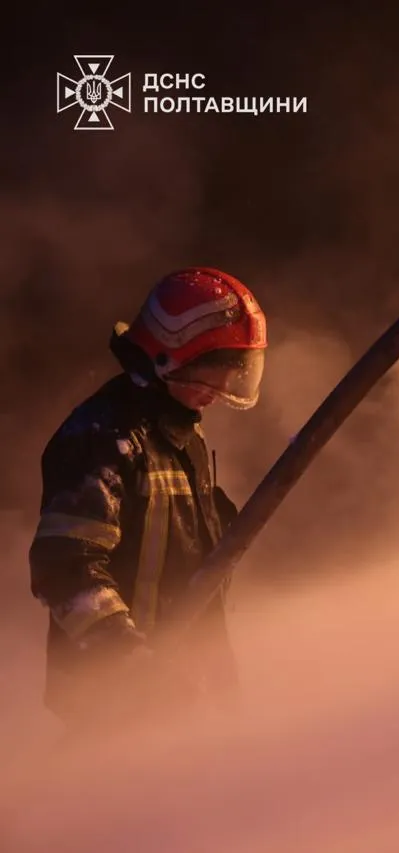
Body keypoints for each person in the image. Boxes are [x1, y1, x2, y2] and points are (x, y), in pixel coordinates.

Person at [29, 266, 268, 735]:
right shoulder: (102, 438)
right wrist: (131, 662)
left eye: (234, 371)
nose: (222, 388)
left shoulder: (181, 436)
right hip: (111, 708)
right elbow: (64, 568)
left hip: (179, 698)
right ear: (168, 356)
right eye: (212, 370)